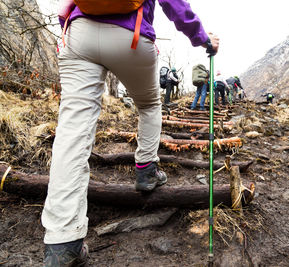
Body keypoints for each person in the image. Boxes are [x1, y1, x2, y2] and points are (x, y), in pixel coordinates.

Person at [44, 1, 219, 265]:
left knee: (71, 131)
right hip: (131, 35)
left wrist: (71, 29)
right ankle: (146, 170)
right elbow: (176, 6)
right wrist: (204, 40)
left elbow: (62, 9)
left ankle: (62, 241)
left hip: (79, 32)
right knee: (149, 105)